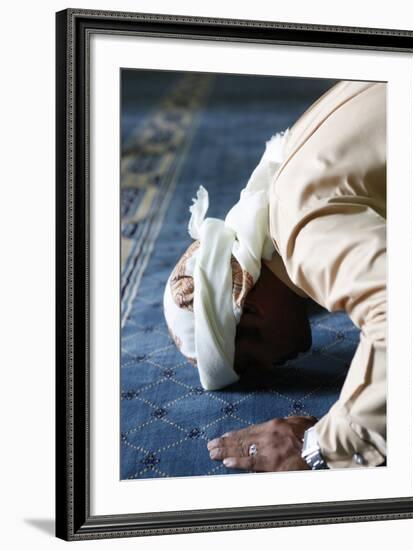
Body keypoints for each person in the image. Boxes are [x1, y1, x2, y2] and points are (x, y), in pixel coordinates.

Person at [163, 80, 386, 471]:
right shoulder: (288, 182)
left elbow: (411, 316)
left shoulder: (303, 234)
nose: (273, 369)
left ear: (249, 313)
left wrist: (321, 447)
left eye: (251, 363)